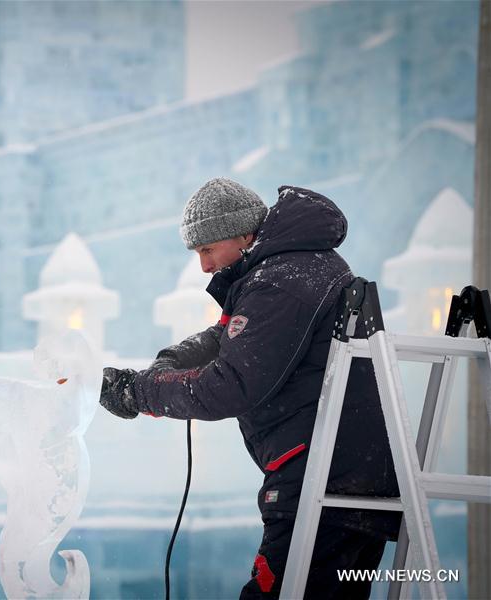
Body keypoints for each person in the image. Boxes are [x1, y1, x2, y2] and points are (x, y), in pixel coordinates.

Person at [99, 178, 400, 599]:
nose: (204, 266)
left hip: (323, 480)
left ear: (243, 234)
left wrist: (139, 392)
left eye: (207, 249)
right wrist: (170, 361)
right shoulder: (292, 267)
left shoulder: (280, 282)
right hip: (344, 474)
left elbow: (231, 385)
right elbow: (230, 338)